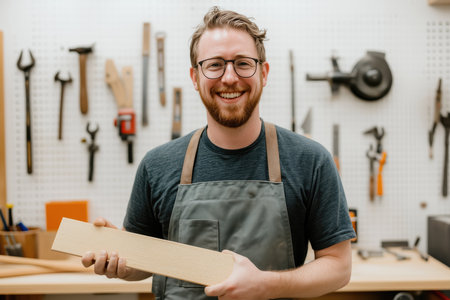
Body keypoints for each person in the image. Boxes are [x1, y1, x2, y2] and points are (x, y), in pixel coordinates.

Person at [82, 6, 356, 300]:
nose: (229, 77)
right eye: (214, 65)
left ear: (263, 73)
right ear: (195, 76)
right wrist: (119, 260)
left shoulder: (310, 161)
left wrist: (266, 284)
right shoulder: (157, 165)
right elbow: (143, 264)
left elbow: (338, 267)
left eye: (242, 63)